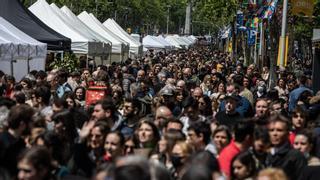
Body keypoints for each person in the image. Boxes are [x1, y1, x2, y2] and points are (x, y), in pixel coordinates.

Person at [266, 114, 307, 180]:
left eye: (279, 130)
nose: (274, 134)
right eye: (271, 130)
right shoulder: (265, 154)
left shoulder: (296, 156)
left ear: (287, 133)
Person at [0, 105, 35, 177]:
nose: (33, 124)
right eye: (31, 121)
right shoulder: (2, 142)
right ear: (22, 124)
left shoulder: (20, 142)